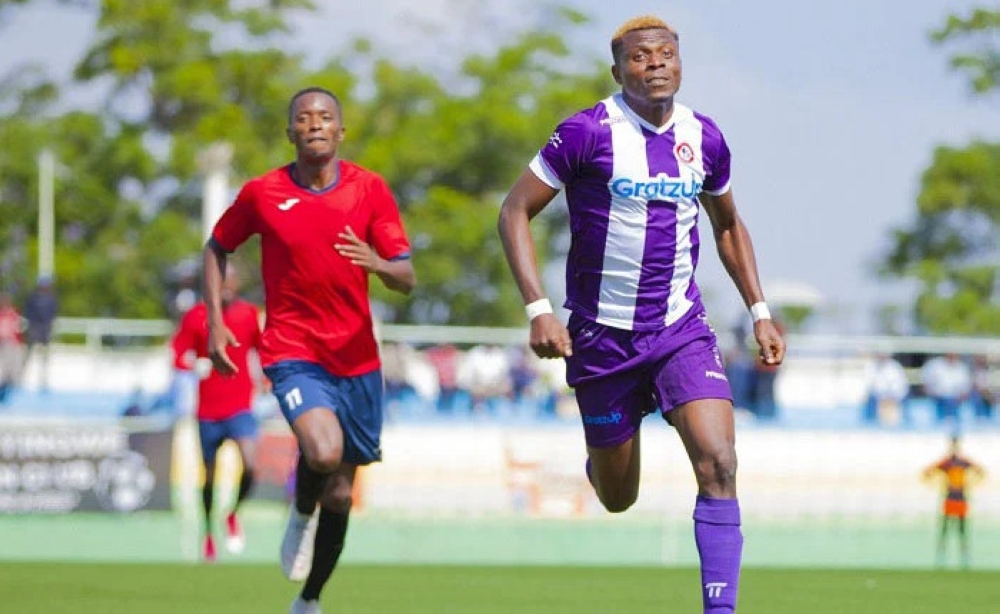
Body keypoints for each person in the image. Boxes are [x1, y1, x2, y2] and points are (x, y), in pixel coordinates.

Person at [497, 15, 785, 614]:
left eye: (665, 54)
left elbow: (727, 225)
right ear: (617, 70)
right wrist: (539, 309)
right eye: (639, 56)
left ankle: (720, 608)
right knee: (617, 496)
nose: (654, 63)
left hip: (680, 330)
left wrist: (760, 310)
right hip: (600, 339)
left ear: (680, 64)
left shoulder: (704, 138)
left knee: (720, 462)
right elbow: (513, 211)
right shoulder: (585, 134)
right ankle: (605, 456)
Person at [203, 86, 415, 614]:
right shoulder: (263, 193)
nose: (315, 123)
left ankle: (310, 599)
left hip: (359, 361)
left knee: (341, 495)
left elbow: (406, 277)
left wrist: (377, 263)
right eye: (304, 117)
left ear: (341, 132)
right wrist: (214, 321)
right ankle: (299, 511)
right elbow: (217, 246)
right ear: (290, 131)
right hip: (293, 350)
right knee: (321, 452)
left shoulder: (369, 190)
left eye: (325, 117)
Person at [171, 263, 263, 563]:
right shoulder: (197, 316)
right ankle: (208, 532)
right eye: (219, 279)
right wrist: (193, 366)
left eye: (230, 279)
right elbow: (177, 354)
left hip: (240, 407)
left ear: (237, 283)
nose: (225, 284)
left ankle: (233, 514)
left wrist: (269, 376)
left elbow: (264, 349)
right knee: (209, 477)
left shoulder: (248, 314)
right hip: (208, 411)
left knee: (250, 464)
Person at [922, 436, 985, 568]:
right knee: (945, 529)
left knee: (962, 529)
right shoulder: (947, 462)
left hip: (960, 497)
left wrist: (969, 484)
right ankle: (941, 555)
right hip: (949, 497)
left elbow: (980, 471)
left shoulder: (963, 462)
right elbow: (928, 472)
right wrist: (939, 484)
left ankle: (964, 556)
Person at [22, 276, 58, 391]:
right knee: (27, 355)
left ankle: (43, 380)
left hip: (45, 331)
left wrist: (49, 327)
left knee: (44, 358)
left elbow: (53, 314)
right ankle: (20, 379)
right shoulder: (33, 298)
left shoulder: (51, 298)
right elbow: (28, 312)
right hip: (34, 329)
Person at [921, 353, 972, 425]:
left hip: (956, 400)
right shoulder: (935, 365)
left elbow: (966, 388)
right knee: (946, 403)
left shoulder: (962, 367)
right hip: (938, 398)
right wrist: (931, 393)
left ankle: (955, 425)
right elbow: (925, 382)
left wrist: (962, 397)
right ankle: (940, 425)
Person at [861, 352, 910, 426]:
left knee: (905, 400)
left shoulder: (894, 366)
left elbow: (900, 385)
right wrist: (882, 396)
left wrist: (893, 396)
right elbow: (869, 385)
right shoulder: (871, 366)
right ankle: (870, 423)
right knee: (870, 400)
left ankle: (905, 423)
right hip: (878, 396)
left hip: (894, 396)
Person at [0, 291, 25, 404]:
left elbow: (18, 330)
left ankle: (7, 392)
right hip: (3, 345)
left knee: (12, 371)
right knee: (3, 370)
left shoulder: (14, 314)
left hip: (12, 345)